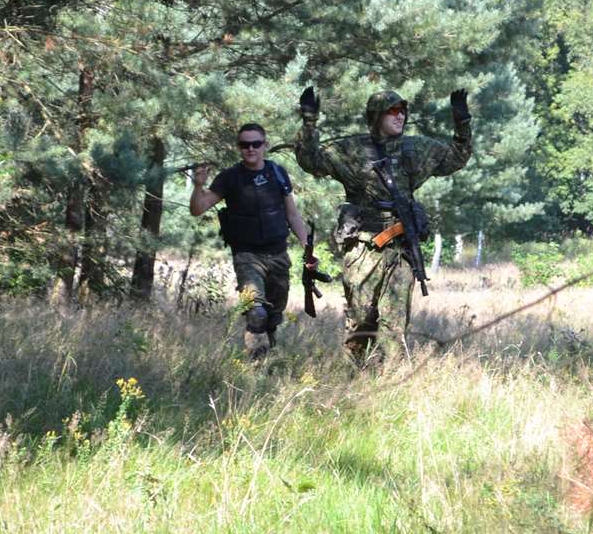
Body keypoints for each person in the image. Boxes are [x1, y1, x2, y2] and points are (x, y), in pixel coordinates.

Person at [295, 87, 472, 361]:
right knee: (361, 320)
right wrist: (309, 123)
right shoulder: (352, 149)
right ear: (376, 116)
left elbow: (456, 158)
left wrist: (462, 124)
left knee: (394, 324)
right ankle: (356, 374)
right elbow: (310, 160)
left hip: (401, 247)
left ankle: (391, 374)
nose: (400, 116)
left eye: (403, 111)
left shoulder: (416, 148)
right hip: (364, 247)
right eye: (393, 111)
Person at [190, 123, 313, 358]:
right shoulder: (229, 178)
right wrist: (198, 186)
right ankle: (255, 363)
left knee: (273, 316)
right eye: (244, 144)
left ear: (265, 145)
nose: (250, 149)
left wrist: (307, 246)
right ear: (239, 147)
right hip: (247, 256)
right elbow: (198, 209)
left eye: (256, 144)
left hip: (278, 254)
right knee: (256, 312)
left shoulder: (277, 173)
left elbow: (293, 215)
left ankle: (270, 359)